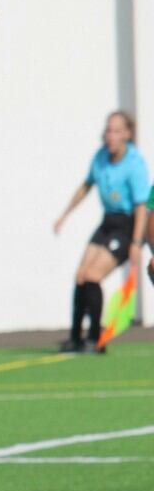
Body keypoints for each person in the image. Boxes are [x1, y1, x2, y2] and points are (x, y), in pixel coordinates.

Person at [53, 110, 147, 353]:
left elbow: (141, 207)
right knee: (81, 275)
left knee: (94, 275)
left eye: (116, 131)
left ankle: (96, 339)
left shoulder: (135, 164)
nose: (110, 136)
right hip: (107, 222)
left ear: (127, 134)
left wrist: (136, 242)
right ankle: (75, 336)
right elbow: (86, 186)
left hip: (126, 226)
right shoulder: (101, 157)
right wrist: (65, 215)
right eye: (108, 130)